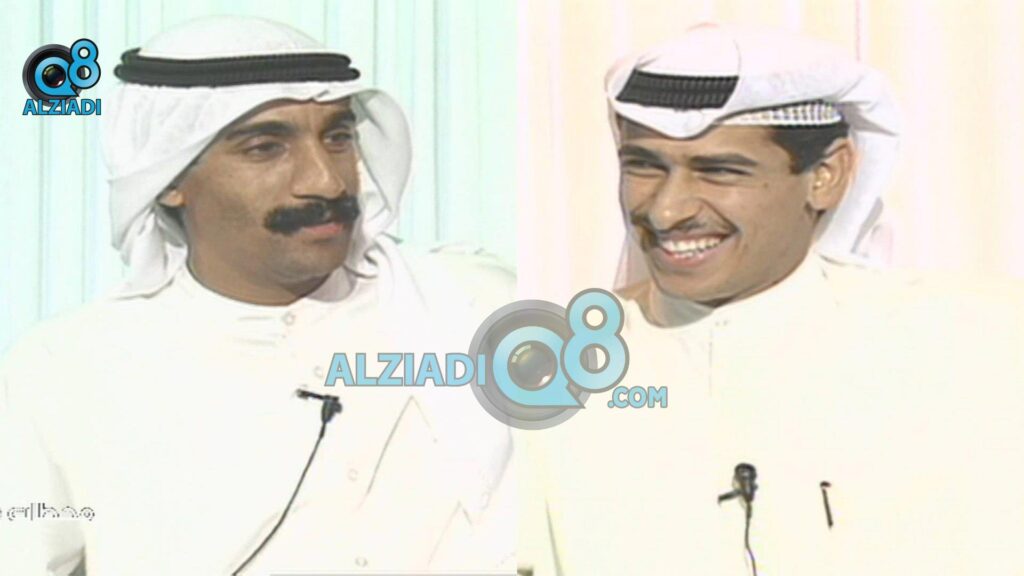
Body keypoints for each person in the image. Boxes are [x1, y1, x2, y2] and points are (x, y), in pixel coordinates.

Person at [0, 16, 515, 576]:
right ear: (167, 179)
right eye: (266, 148)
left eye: (338, 138)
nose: (326, 181)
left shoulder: (475, 306)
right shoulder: (64, 371)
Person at [519, 23, 1024, 575]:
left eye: (719, 172)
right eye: (644, 166)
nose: (666, 210)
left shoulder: (976, 347)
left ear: (826, 176)